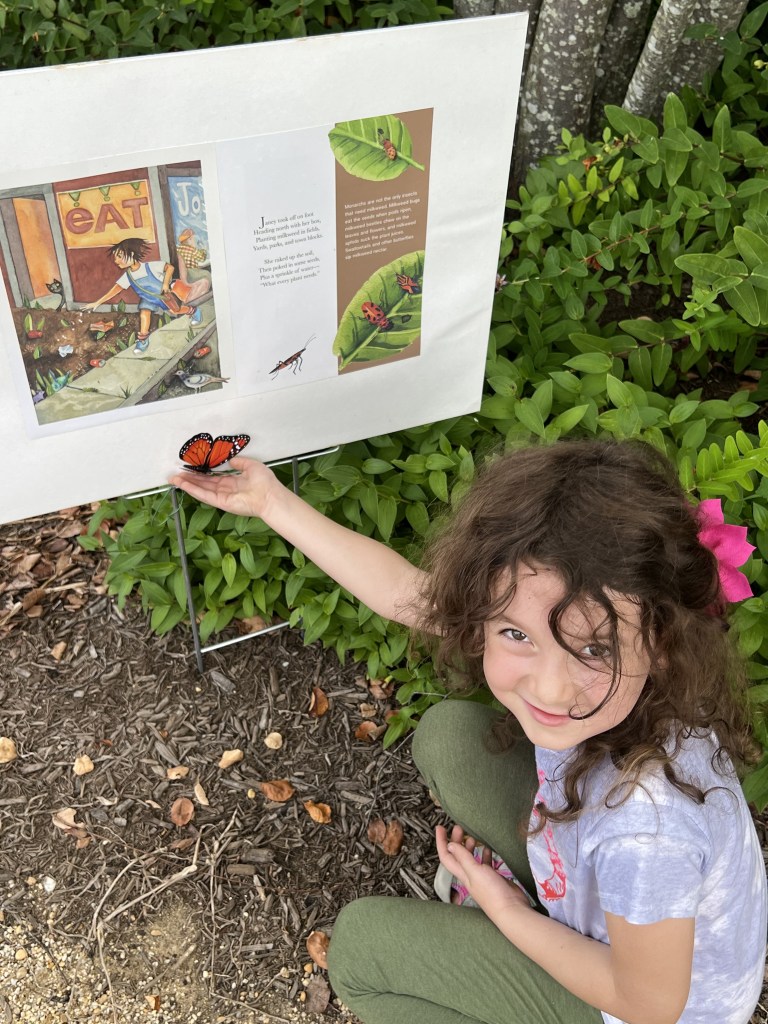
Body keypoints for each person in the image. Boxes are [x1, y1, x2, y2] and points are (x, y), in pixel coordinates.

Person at [169, 439, 767, 1024]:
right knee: (452, 736)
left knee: (359, 954)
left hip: (634, 1003)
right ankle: (551, 906)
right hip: (624, 921)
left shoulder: (647, 832)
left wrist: (507, 911)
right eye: (517, 636)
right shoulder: (645, 695)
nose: (550, 690)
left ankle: (534, 922)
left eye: (593, 648)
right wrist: (273, 502)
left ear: (661, 642)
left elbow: (649, 1005)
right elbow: (405, 593)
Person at [84, 237, 206, 354]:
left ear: (132, 254)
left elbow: (170, 268)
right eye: (116, 257)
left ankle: (192, 310)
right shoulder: (128, 276)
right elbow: (116, 289)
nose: (116, 260)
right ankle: (142, 341)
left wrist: (165, 284)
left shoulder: (149, 266)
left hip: (163, 296)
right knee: (144, 313)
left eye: (120, 256)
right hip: (148, 299)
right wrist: (98, 302)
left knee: (176, 310)